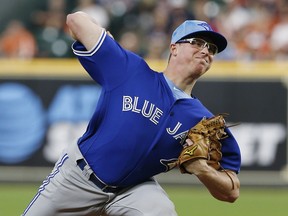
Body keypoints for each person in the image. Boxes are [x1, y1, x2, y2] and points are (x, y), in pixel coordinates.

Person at [22, 11, 241, 216]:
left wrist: (203, 171)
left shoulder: (202, 120)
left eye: (211, 48)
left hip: (134, 190)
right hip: (79, 177)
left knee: (163, 211)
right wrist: (102, 35)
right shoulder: (131, 70)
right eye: (197, 43)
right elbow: (75, 20)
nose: (206, 51)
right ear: (173, 48)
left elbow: (231, 191)